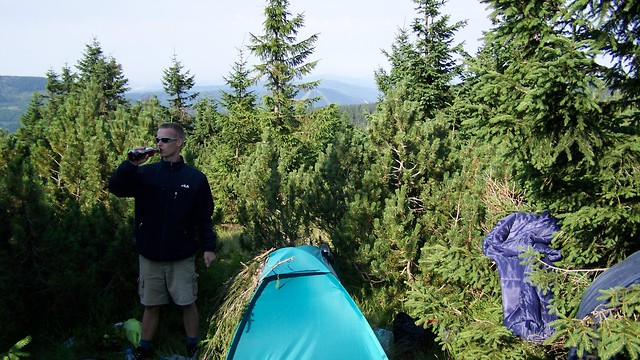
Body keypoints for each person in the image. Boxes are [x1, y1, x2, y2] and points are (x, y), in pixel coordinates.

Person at [109, 122, 217, 360]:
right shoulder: (145, 174)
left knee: (187, 302)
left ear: (179, 143)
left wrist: (209, 247)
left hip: (181, 255)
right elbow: (115, 187)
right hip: (150, 254)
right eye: (157, 139)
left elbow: (204, 216)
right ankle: (144, 348)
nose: (159, 144)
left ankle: (192, 345)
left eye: (165, 140)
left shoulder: (195, 178)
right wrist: (130, 164)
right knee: (151, 304)